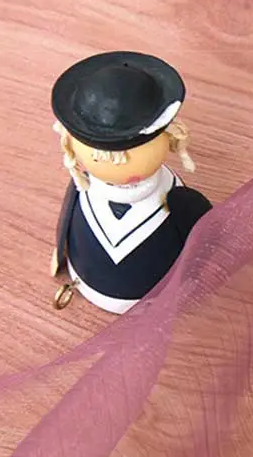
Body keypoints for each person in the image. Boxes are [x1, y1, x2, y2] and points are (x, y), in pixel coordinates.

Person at [49, 51, 212, 314]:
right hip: (85, 279)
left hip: (161, 297)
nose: (125, 167)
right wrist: (60, 254)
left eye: (139, 149)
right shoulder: (84, 187)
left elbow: (205, 237)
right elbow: (67, 215)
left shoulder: (177, 198)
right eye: (106, 155)